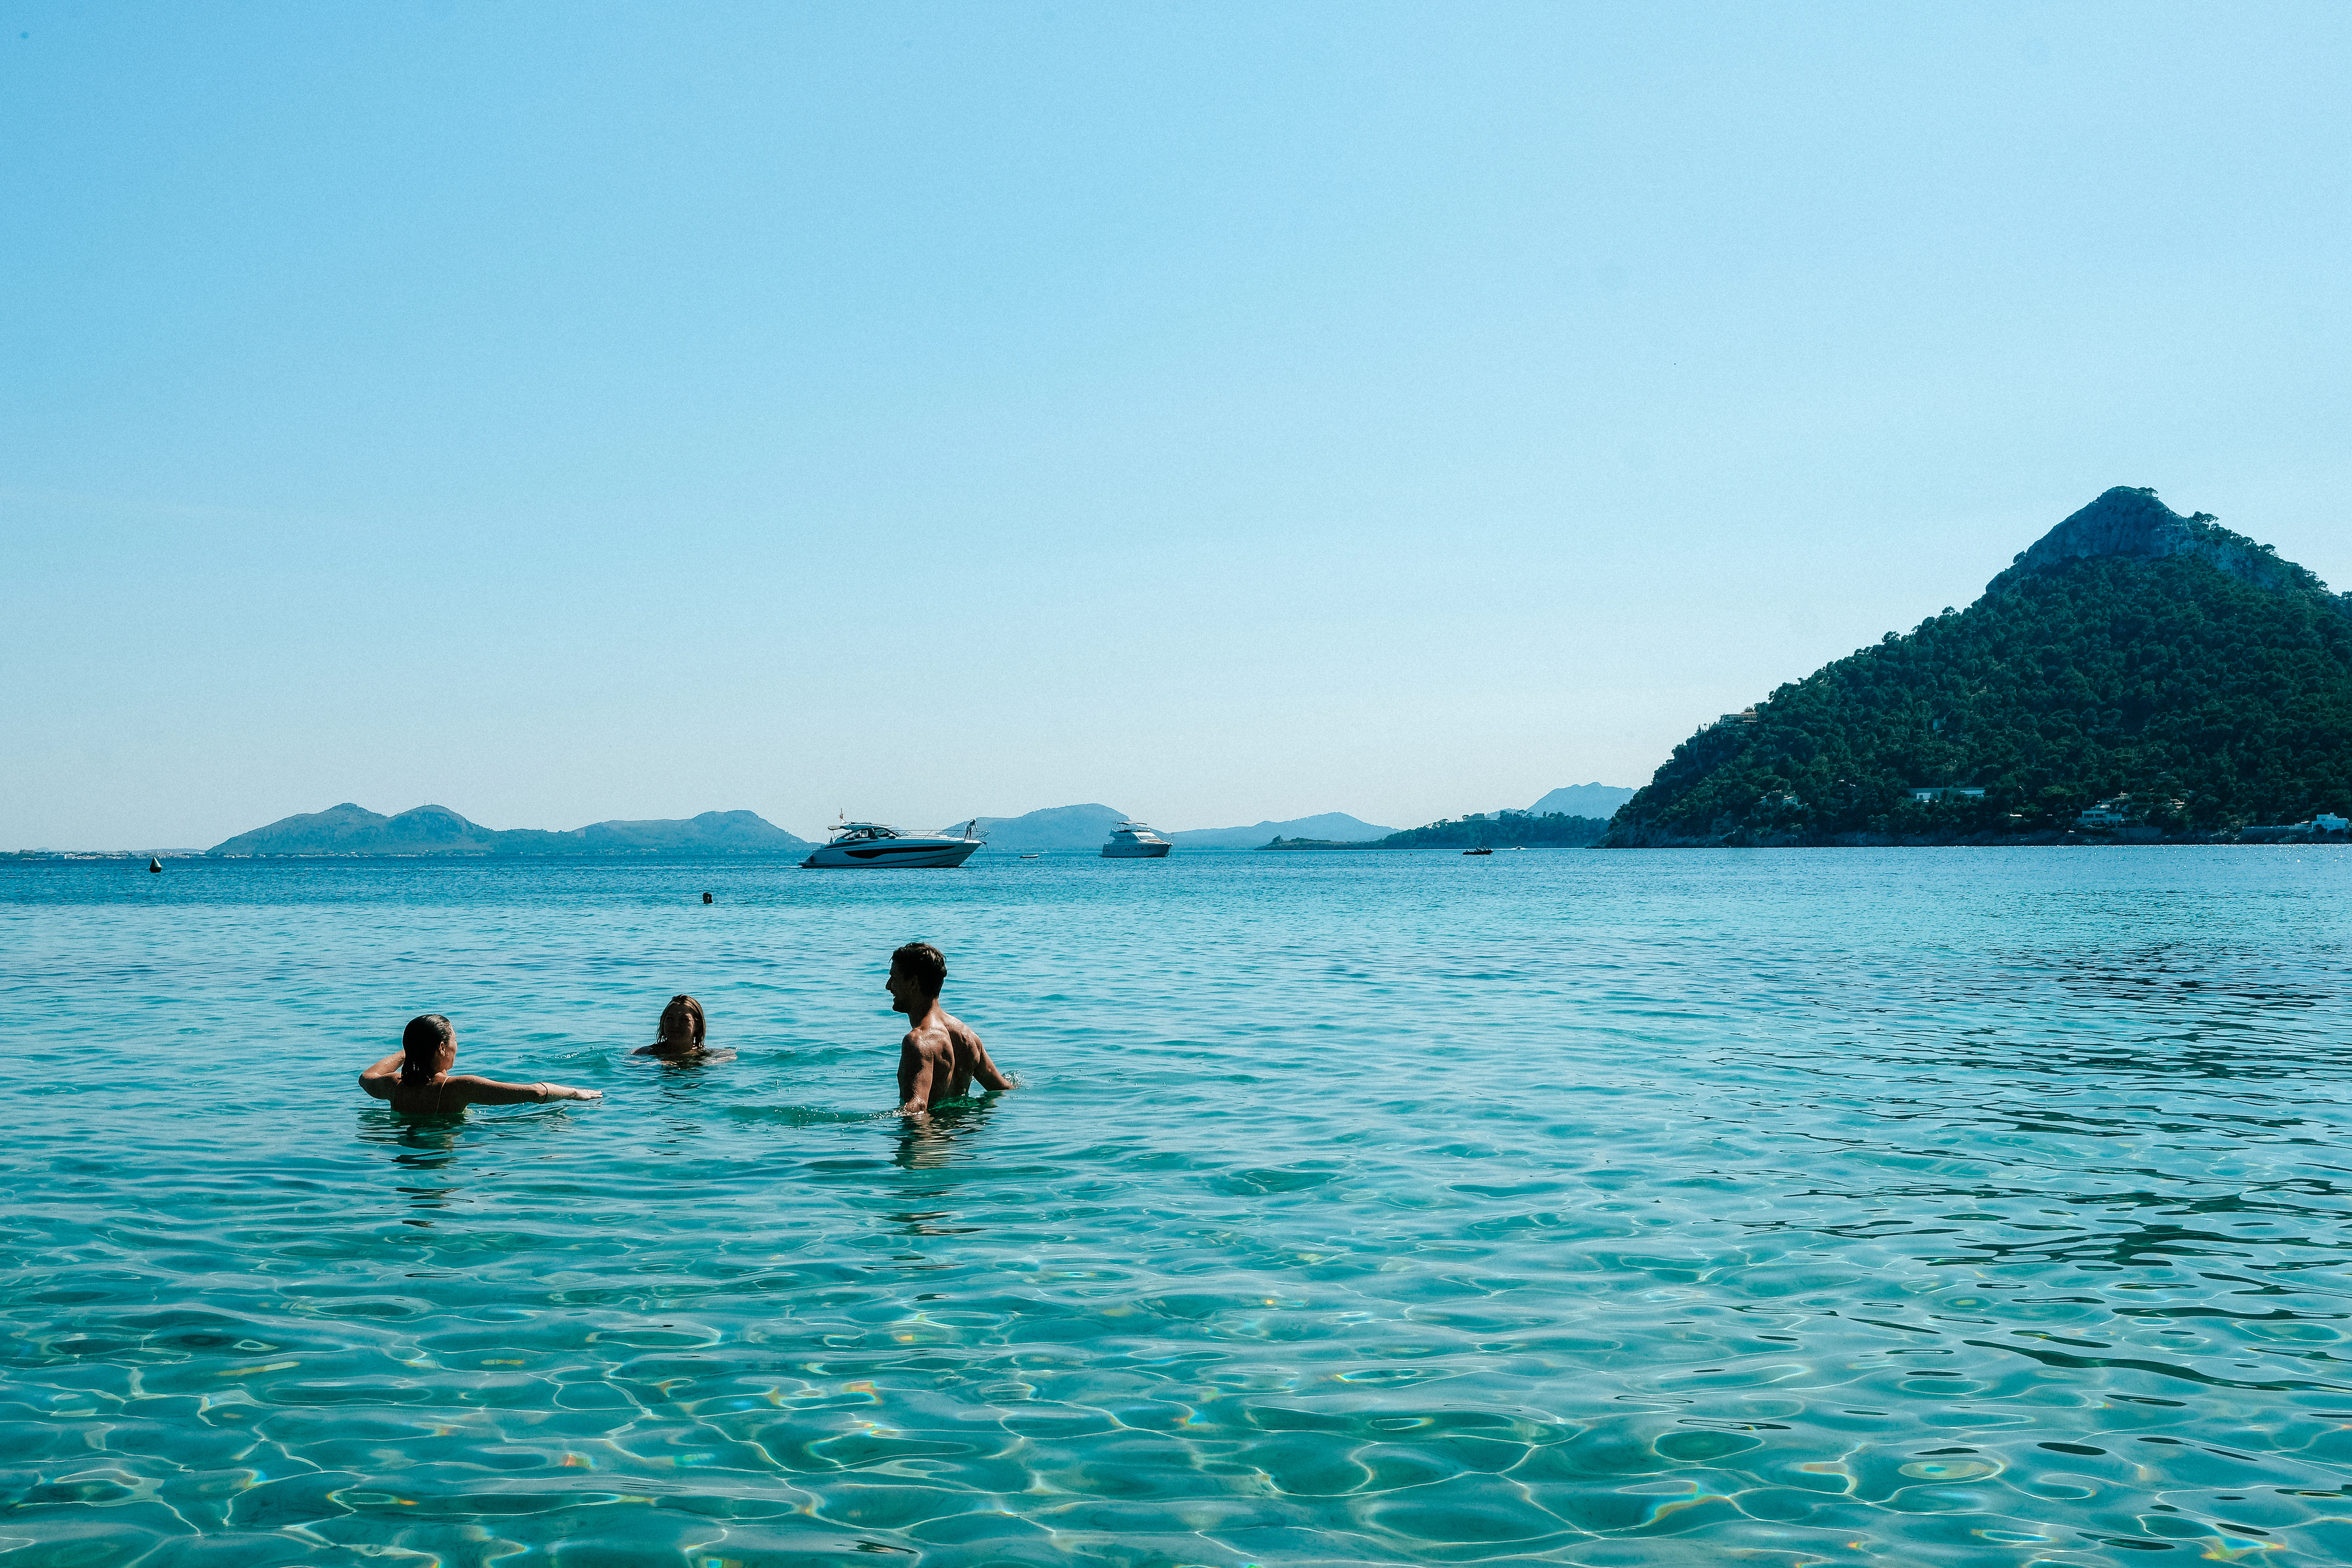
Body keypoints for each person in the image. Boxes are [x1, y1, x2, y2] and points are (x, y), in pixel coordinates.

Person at [359, 1013, 602, 1112]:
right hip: (443, 1157)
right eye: (455, 1039)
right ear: (442, 1048)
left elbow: (366, 1077)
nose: (458, 1046)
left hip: (404, 1155)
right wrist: (575, 1093)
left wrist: (410, 1052)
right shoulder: (459, 1088)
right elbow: (536, 1092)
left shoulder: (394, 1086)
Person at [886, 941, 1015, 1116]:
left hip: (930, 1141)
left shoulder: (918, 1042)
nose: (888, 986)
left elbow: (917, 1109)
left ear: (912, 983)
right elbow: (1003, 1089)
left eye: (894, 978)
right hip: (962, 1138)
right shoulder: (968, 1037)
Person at [634, 994, 708, 1058]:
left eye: (684, 1020)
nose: (676, 1025)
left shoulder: (708, 1056)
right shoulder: (645, 1054)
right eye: (670, 1019)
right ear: (663, 1022)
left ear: (698, 1025)